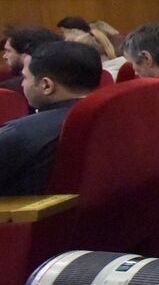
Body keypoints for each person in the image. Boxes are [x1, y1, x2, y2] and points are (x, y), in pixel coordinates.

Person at [0, 41, 100, 195]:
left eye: (25, 78)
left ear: (46, 86)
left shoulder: (19, 135)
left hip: (28, 216)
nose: (22, 84)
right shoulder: (117, 118)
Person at [2, 26, 60, 94]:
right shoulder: (65, 83)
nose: (4, 56)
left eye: (8, 51)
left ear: (26, 54)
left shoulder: (8, 90)